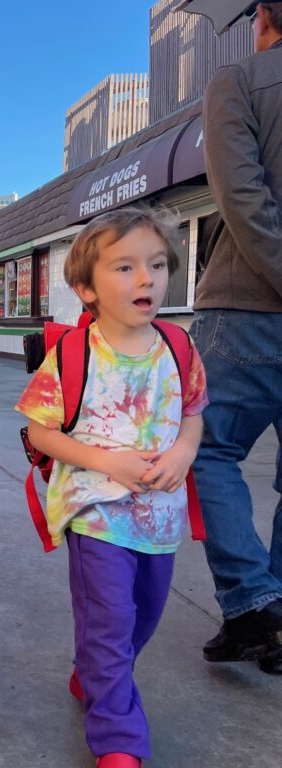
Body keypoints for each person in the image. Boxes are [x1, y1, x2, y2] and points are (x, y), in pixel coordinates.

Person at [16, 208, 208, 768]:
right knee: (110, 621)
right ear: (87, 288)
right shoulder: (75, 354)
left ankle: (94, 675)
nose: (146, 278)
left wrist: (184, 452)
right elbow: (40, 431)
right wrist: (108, 463)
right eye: (125, 267)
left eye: (156, 264)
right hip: (95, 513)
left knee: (142, 617)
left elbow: (193, 412)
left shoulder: (179, 346)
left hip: (161, 516)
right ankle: (119, 740)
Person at [192, 0, 282, 675]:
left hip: (245, 304)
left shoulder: (241, 80)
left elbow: (241, 197)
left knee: (206, 449)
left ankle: (254, 604)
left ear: (265, 17)